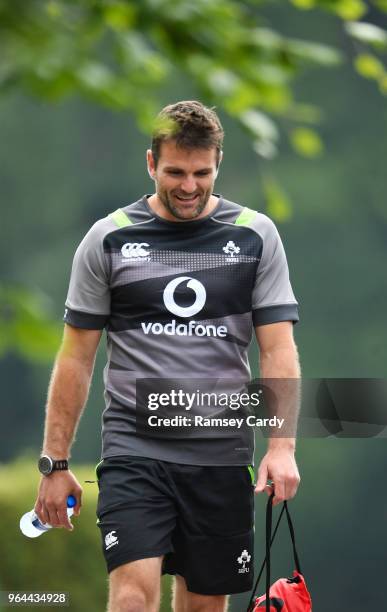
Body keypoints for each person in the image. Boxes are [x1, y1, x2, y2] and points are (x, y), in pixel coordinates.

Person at [34, 100, 301, 612]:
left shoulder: (255, 236)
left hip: (221, 458)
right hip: (135, 454)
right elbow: (75, 359)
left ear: (218, 164)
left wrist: (282, 446)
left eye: (202, 173)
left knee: (203, 605)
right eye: (175, 171)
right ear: (151, 164)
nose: (188, 186)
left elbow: (277, 347)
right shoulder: (109, 238)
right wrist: (55, 462)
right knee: (133, 595)